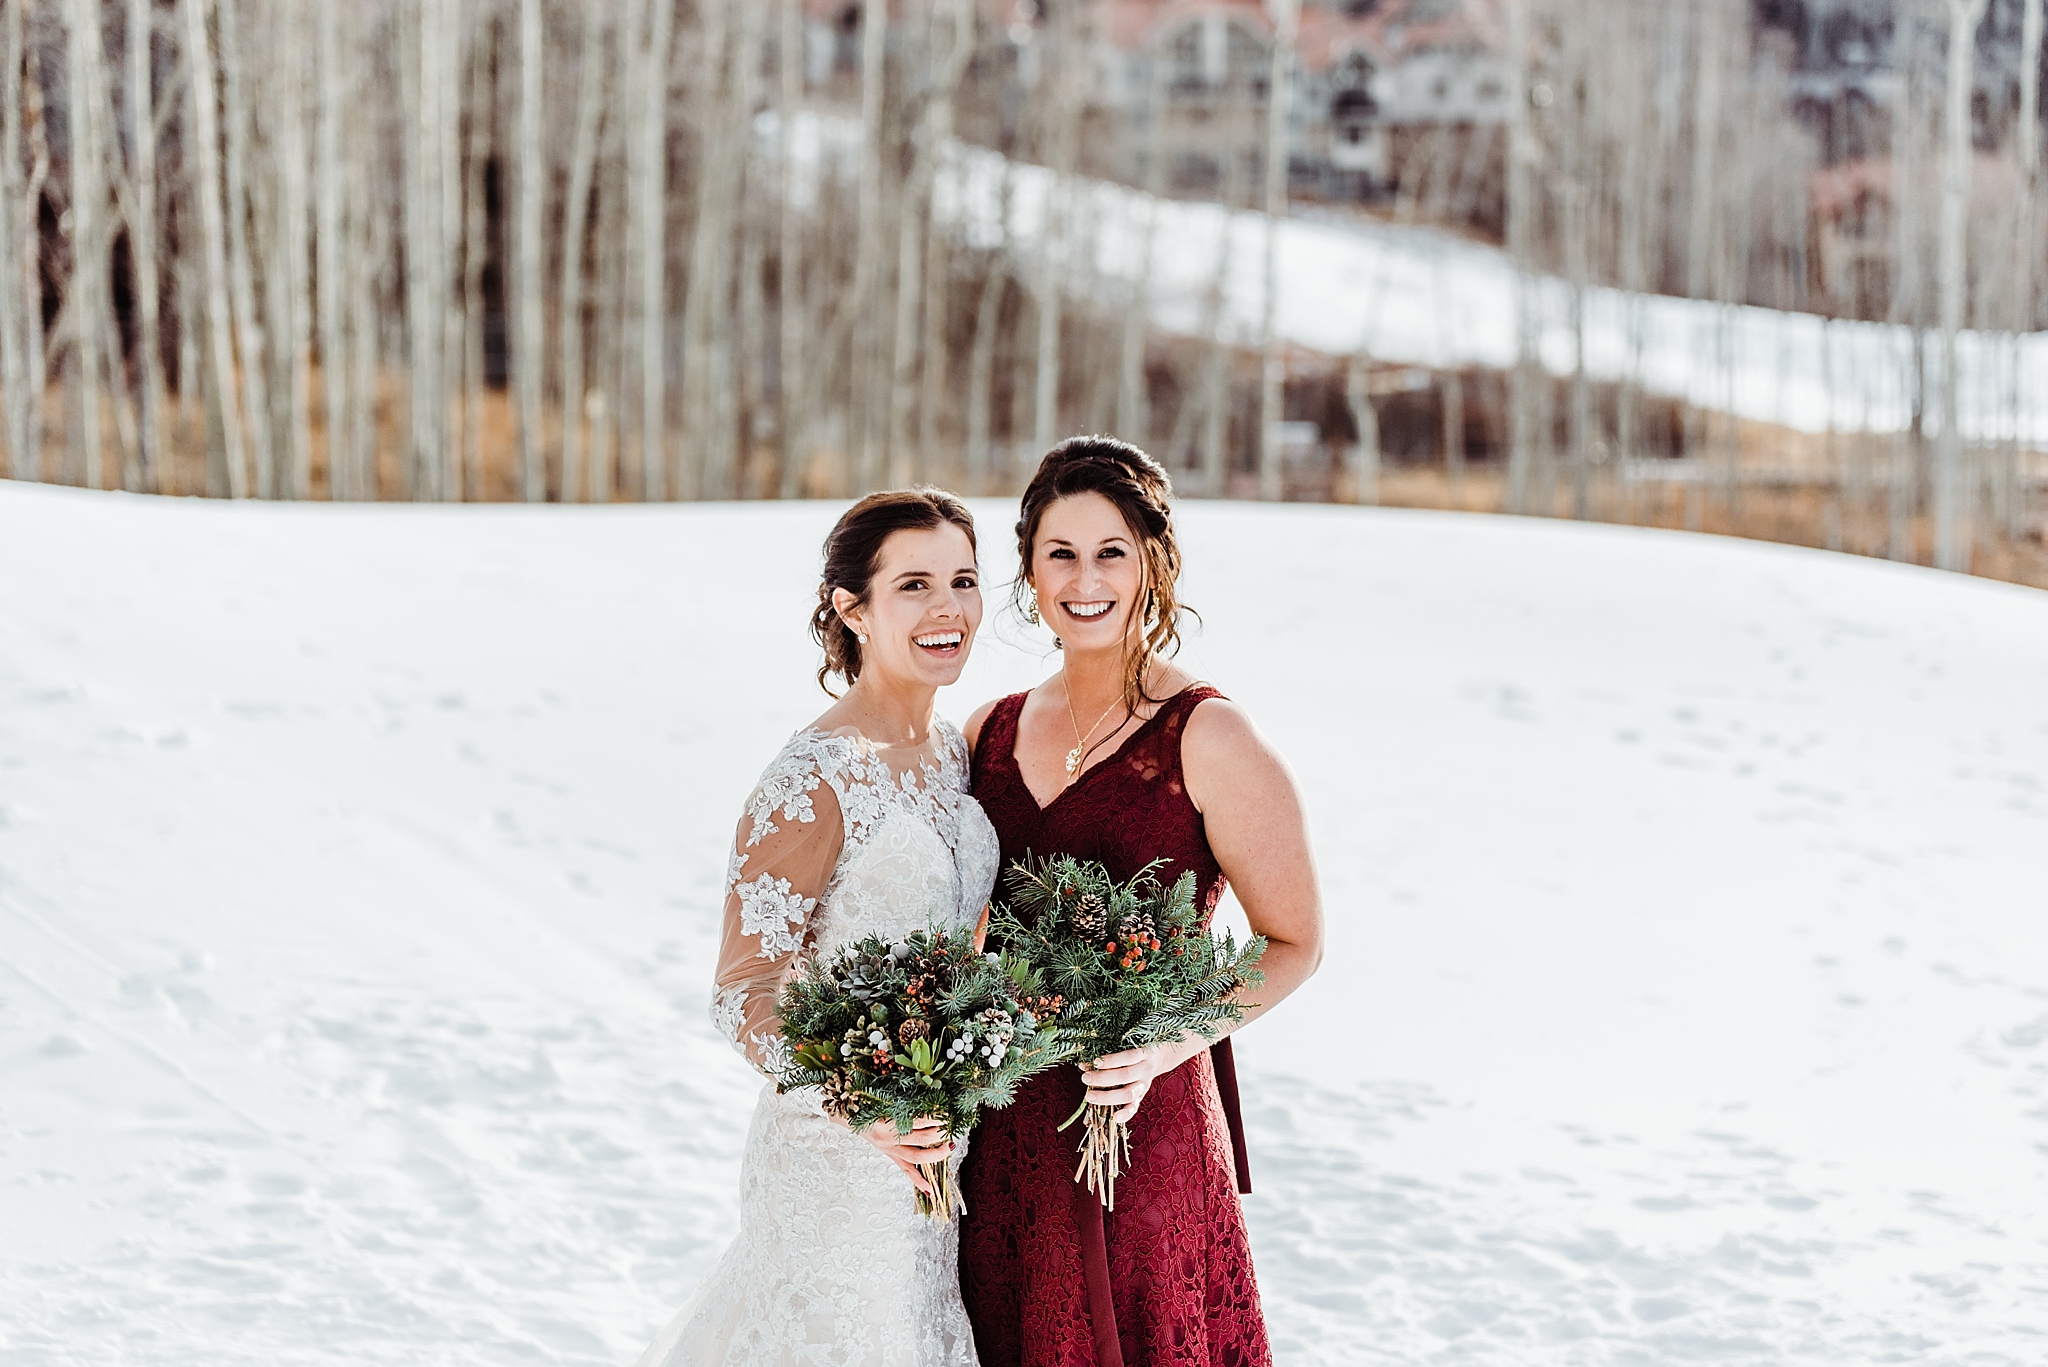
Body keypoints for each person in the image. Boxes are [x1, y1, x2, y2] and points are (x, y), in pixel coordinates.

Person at [957, 438, 1325, 1367]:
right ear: (1029, 567)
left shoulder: (1209, 734)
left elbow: (1294, 940)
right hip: (1002, 1145)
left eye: (1111, 551)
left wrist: (1166, 1040)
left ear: (1155, 562)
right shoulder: (985, 730)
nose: (1086, 579)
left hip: (1142, 1129)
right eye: (1061, 553)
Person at [637, 490, 998, 1367]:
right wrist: (858, 1101)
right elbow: (741, 993)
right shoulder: (812, 780)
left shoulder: (958, 753)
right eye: (913, 584)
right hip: (833, 1161)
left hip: (937, 1159)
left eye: (963, 579)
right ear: (852, 608)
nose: (947, 607)